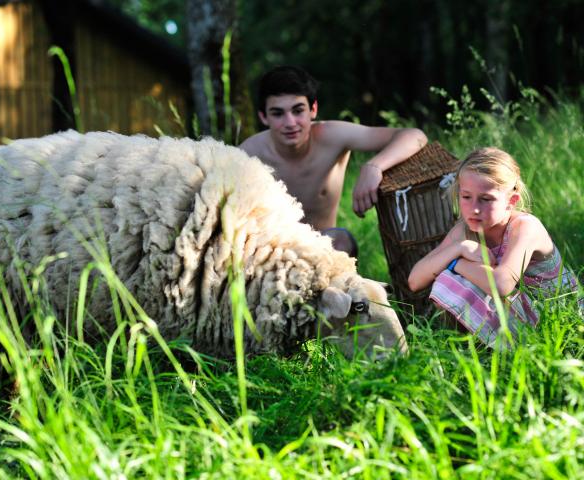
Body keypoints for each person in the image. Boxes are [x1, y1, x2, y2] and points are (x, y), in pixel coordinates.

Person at [239, 65, 427, 257]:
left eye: (298, 111)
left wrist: (374, 167)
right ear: (263, 117)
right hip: (272, 253)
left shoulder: (332, 136)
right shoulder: (248, 154)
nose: (290, 123)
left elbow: (415, 136)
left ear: (313, 109)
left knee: (342, 240)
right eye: (278, 114)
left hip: (324, 248)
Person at [408, 147, 580, 345]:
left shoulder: (525, 226)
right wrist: (460, 248)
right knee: (449, 279)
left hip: (562, 319)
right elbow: (415, 280)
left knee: (451, 275)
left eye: (486, 199)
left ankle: (495, 348)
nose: (474, 208)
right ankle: (480, 347)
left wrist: (456, 264)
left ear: (511, 201)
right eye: (466, 197)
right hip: (524, 313)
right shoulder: (464, 231)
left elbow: (501, 284)